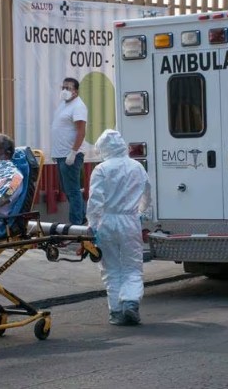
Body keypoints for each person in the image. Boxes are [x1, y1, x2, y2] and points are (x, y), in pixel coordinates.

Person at [86, 129, 152, 326]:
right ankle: (130, 302)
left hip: (106, 222)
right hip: (130, 221)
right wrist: (141, 212)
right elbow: (147, 194)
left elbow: (95, 201)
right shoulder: (137, 167)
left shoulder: (101, 169)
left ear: (103, 148)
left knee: (111, 268)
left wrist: (92, 225)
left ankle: (116, 311)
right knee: (132, 266)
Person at [50, 77, 87, 225]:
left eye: (68, 88)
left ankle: (76, 223)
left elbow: (81, 131)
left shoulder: (78, 106)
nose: (64, 90)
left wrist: (73, 152)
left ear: (75, 92)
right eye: (63, 87)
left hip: (70, 154)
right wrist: (55, 153)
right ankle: (81, 218)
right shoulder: (63, 104)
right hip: (61, 154)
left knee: (72, 190)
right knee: (68, 189)